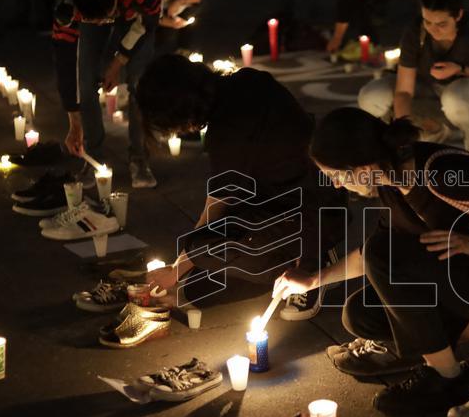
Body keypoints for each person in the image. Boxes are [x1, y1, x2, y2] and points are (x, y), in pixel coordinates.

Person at [273, 107, 469, 417]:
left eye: (337, 175)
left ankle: (446, 380)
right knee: (361, 313)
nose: (337, 185)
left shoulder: (443, 170)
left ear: (362, 166)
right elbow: (368, 256)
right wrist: (312, 281)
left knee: (384, 251)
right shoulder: (391, 183)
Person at [136, 55, 345, 320]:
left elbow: (214, 212)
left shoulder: (226, 134)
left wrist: (176, 271)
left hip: (308, 213)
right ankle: (304, 249)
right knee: (203, 263)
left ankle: (311, 264)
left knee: (203, 248)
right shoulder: (248, 79)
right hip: (323, 193)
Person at [357, 0, 469, 158]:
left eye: (442, 24)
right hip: (430, 91)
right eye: (427, 21)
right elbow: (404, 91)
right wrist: (404, 137)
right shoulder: (415, 31)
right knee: (371, 96)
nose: (433, 29)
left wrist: (461, 69)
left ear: (458, 15)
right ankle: (432, 130)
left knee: (457, 96)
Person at [53, 0, 161, 189]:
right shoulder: (68, 6)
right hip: (98, 4)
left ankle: (139, 159)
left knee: (138, 83)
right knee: (86, 79)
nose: (102, 25)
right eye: (94, 22)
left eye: (104, 19)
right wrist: (74, 122)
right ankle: (94, 158)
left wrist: (117, 62)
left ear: (114, 1)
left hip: (139, 16)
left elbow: (148, 24)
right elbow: (67, 63)